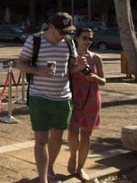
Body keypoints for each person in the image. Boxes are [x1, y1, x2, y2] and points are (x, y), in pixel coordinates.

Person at [17, 12, 87, 183]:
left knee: (57, 136)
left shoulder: (69, 43)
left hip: (63, 98)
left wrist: (79, 67)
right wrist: (37, 71)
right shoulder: (35, 41)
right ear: (52, 27)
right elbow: (20, 63)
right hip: (39, 97)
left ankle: (49, 169)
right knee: (41, 139)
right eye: (62, 31)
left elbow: (69, 69)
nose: (65, 35)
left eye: (68, 31)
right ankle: (43, 180)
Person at [67, 26, 106, 181]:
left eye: (90, 38)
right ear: (76, 38)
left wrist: (95, 78)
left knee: (86, 134)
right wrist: (78, 68)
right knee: (72, 132)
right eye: (85, 38)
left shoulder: (96, 58)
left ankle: (80, 167)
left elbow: (103, 81)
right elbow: (65, 74)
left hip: (92, 98)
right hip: (74, 97)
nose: (88, 41)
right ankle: (72, 156)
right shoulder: (70, 56)